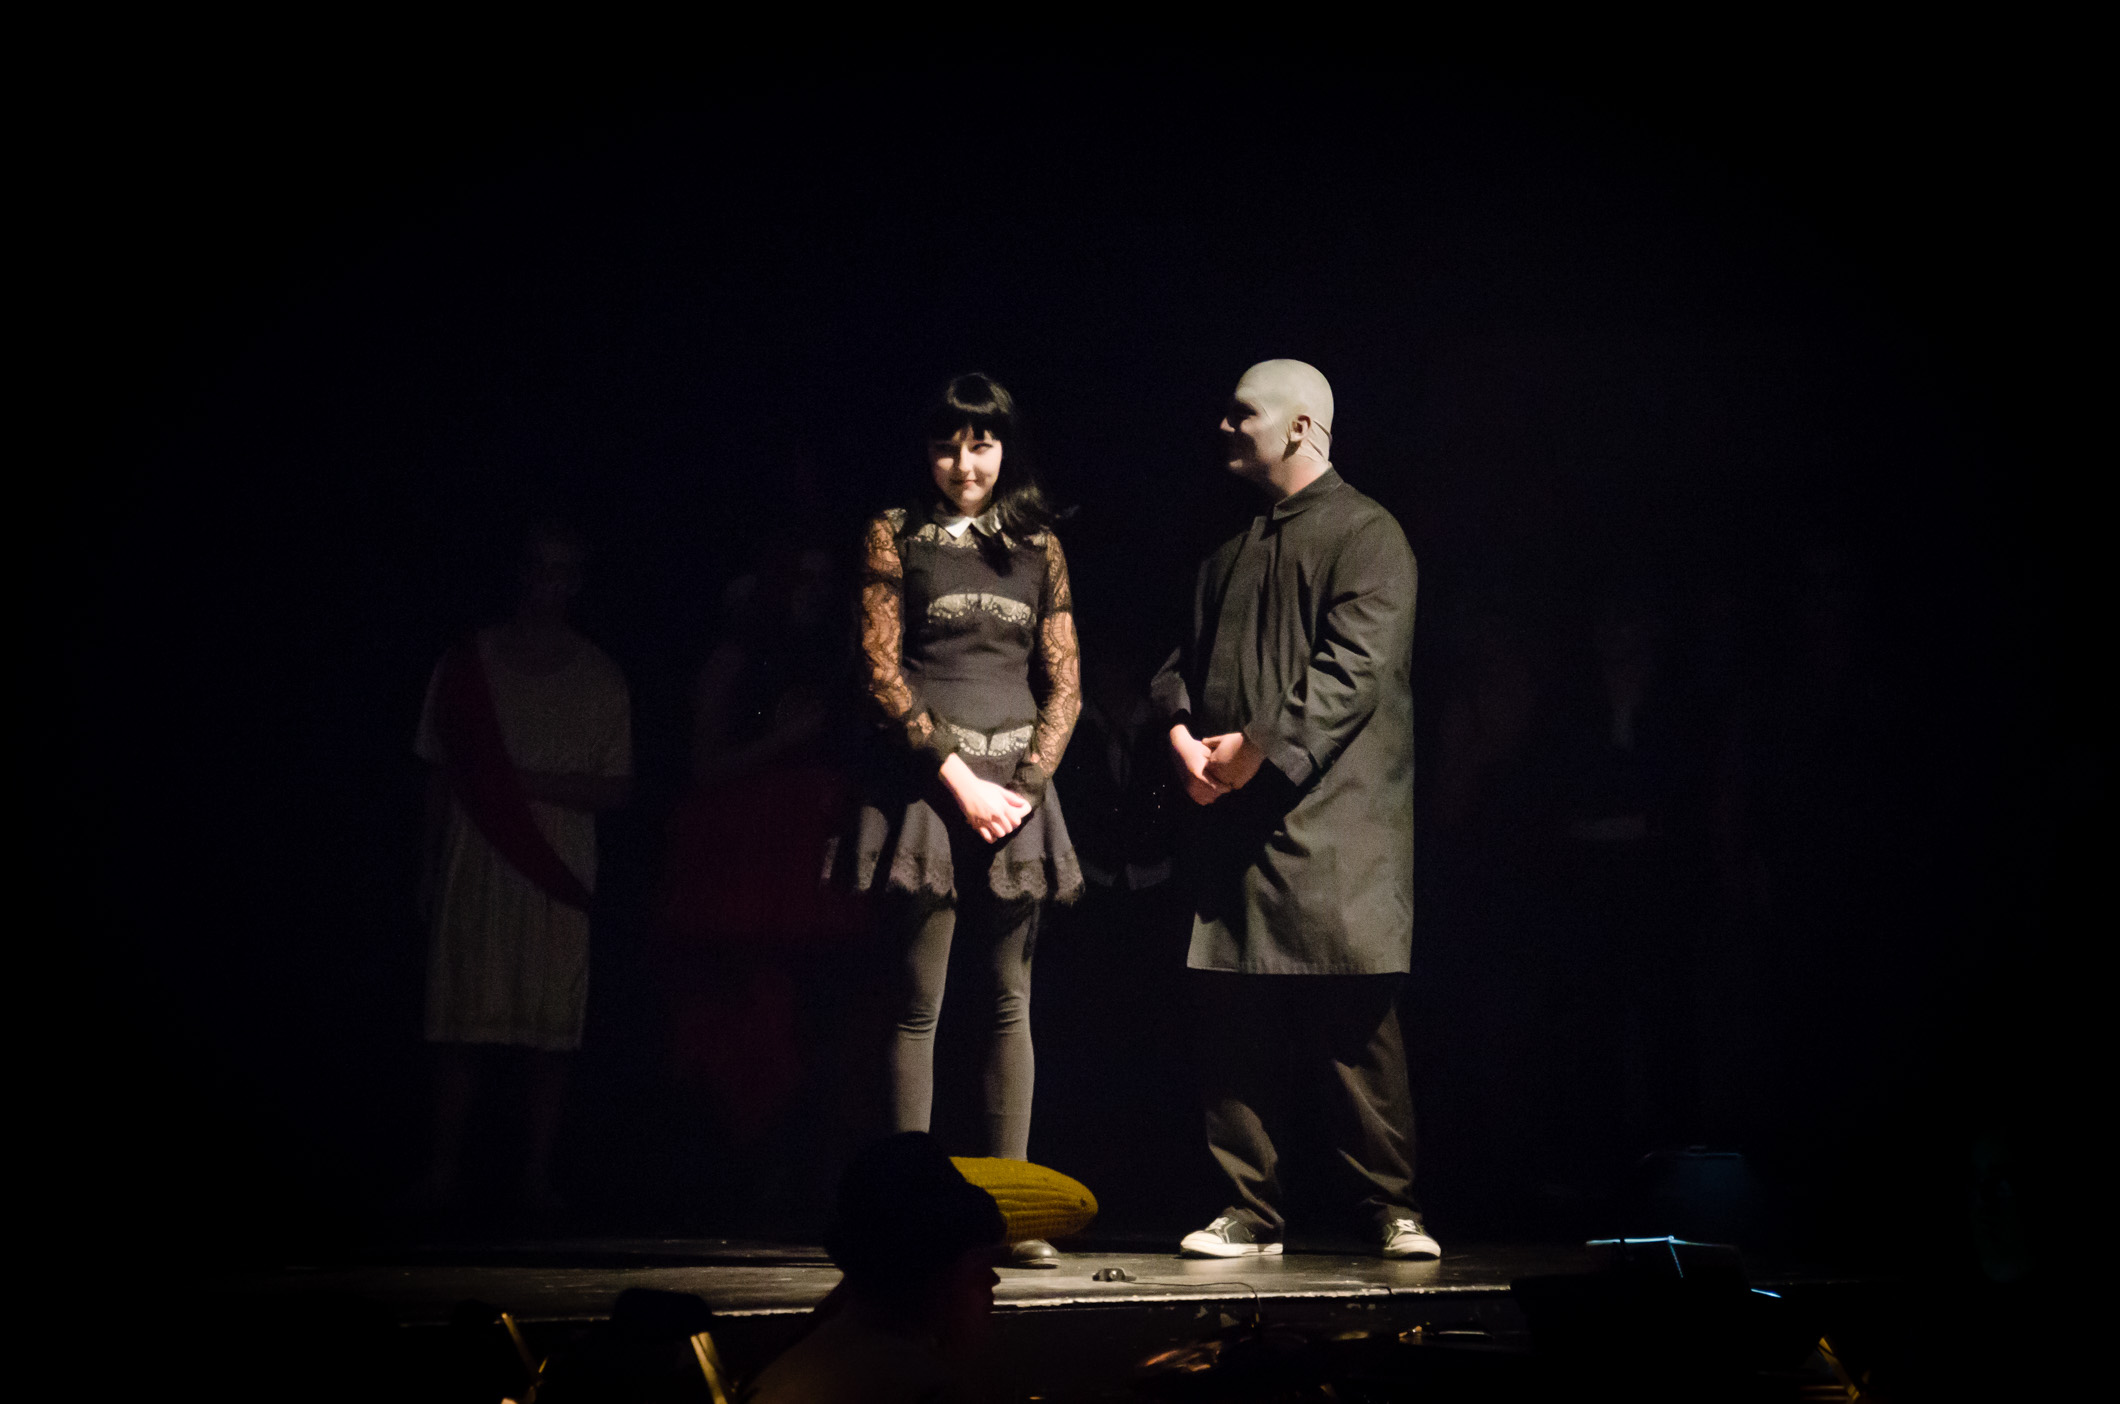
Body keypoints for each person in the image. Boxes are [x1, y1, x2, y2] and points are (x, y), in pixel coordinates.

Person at [1149, 360, 1438, 1259]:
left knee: (1353, 1021)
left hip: (1333, 823)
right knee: (1233, 1023)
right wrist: (1181, 734)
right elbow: (1176, 661)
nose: (1225, 428)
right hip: (1234, 822)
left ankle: (1390, 1206)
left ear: (1301, 427)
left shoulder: (1367, 533)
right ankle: (1247, 1210)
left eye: (1244, 414)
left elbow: (1354, 669)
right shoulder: (1227, 544)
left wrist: (1256, 749)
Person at [832, 373, 1082, 1264]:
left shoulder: (1039, 544)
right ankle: (913, 1217)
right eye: (948, 446)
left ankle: (1010, 1215)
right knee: (919, 1003)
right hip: (928, 790)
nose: (965, 464)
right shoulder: (895, 532)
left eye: (981, 445)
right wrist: (958, 779)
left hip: (1016, 791)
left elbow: (1064, 682)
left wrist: (1028, 784)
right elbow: (879, 668)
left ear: (1005, 447)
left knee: (1011, 1001)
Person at [410, 520, 633, 1211]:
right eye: (538, 567)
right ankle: (442, 1174)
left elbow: (615, 787)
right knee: (461, 1023)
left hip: (555, 864)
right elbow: (438, 771)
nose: (548, 584)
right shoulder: (468, 662)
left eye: (562, 570)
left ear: (578, 582)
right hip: (473, 858)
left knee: (549, 1031)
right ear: (519, 572)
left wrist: (520, 783)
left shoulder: (599, 675)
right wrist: (427, 865)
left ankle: (536, 1177)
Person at [742, 1132, 1007, 1403]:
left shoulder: (801, 1358)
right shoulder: (923, 1388)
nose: (993, 1280)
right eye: (980, 1265)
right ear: (937, 1273)